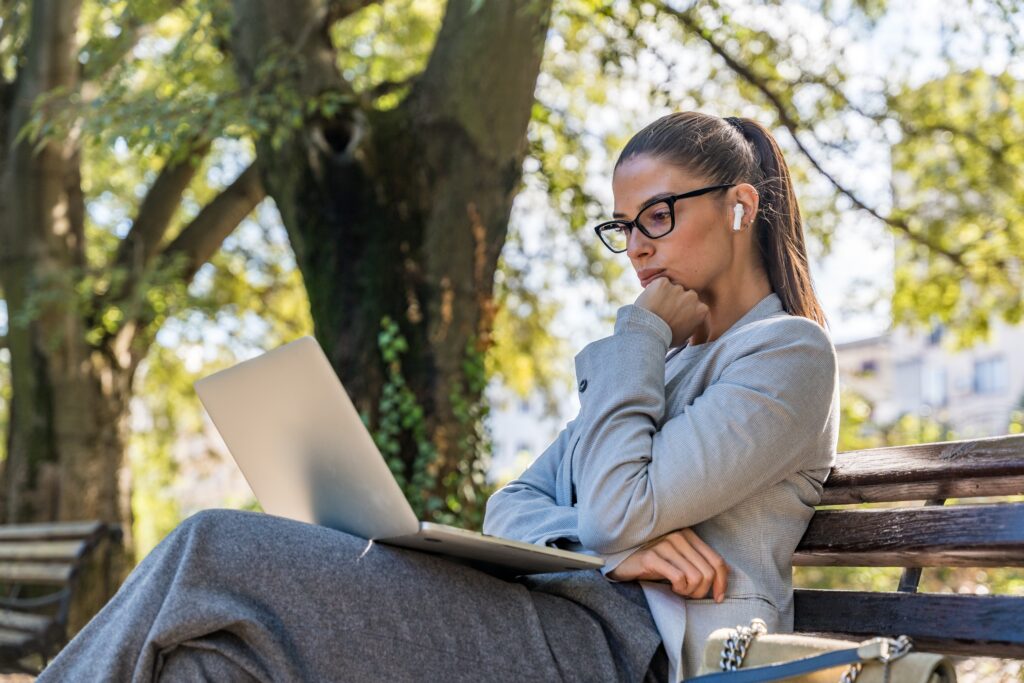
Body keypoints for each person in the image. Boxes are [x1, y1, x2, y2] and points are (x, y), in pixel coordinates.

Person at [38, 111, 838, 683]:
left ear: (740, 205)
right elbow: (512, 506)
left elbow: (616, 508)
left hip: (631, 651)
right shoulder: (655, 367)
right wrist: (612, 554)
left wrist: (639, 335)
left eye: (656, 217)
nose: (636, 248)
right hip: (552, 615)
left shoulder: (786, 354)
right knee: (212, 661)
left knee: (215, 545)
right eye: (622, 226)